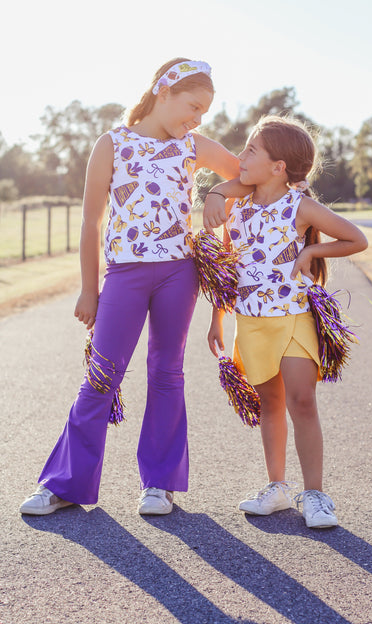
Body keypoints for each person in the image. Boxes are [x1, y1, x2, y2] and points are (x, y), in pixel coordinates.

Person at [20, 57, 241, 517]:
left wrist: (219, 192)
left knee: (167, 372)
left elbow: (246, 173)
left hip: (179, 274)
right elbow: (90, 222)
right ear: (164, 92)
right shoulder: (113, 144)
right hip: (124, 274)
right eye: (193, 106)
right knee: (102, 375)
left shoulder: (193, 145)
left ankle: (159, 484)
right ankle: (64, 483)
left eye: (204, 113)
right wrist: (87, 289)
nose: (197, 119)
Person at [205, 115, 368, 528]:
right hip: (251, 323)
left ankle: (314, 494)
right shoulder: (236, 209)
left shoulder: (301, 206)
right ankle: (277, 488)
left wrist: (312, 254)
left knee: (302, 402)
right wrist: (216, 320)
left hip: (294, 319)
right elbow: (226, 271)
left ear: (279, 167)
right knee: (270, 405)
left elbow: (356, 238)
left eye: (251, 151)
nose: (240, 157)